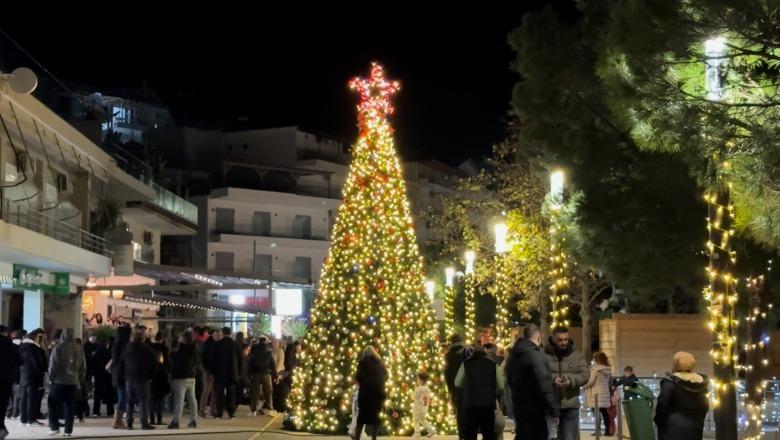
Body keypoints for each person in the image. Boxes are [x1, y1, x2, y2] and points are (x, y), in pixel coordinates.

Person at [506, 324, 558, 440]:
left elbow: (508, 377)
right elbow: (544, 383)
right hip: (535, 408)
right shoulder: (535, 354)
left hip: (519, 406)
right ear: (538, 337)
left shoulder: (514, 354)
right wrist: (553, 409)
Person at [543, 326, 588, 440]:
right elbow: (539, 374)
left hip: (570, 405)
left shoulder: (577, 355)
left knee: (569, 437)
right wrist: (553, 380)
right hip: (549, 405)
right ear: (553, 338)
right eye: (560, 340)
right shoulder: (543, 355)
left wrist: (570, 381)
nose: (563, 343)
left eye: (566, 339)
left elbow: (585, 375)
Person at [654, 352, 709, 440]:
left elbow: (662, 406)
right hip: (695, 428)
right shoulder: (701, 383)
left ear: (676, 364)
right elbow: (705, 406)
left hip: (672, 430)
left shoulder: (669, 382)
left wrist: (658, 422)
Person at [455, 346, 505, 440]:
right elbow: (501, 385)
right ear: (485, 353)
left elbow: (457, 383)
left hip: (470, 405)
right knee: (488, 434)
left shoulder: (466, 364)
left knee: (470, 435)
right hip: (487, 406)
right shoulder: (493, 364)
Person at [47, 328, 87, 437]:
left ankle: (54, 427)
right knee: (70, 406)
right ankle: (68, 431)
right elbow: (83, 367)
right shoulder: (79, 348)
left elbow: (53, 366)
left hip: (59, 381)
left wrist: (50, 378)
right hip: (73, 382)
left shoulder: (58, 348)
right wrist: (80, 378)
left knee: (53, 403)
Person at [122, 329, 158, 430]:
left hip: (129, 378)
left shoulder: (126, 349)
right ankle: (144, 423)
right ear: (143, 338)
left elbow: (122, 362)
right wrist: (151, 376)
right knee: (143, 402)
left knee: (130, 402)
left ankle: (129, 423)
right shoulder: (147, 350)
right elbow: (154, 364)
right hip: (143, 378)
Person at [353, 346, 388, 440]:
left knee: (362, 416)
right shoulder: (380, 363)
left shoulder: (363, 363)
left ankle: (357, 437)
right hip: (378, 393)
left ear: (364, 354)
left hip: (366, 393)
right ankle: (374, 438)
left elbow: (358, 377)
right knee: (376, 416)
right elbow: (386, 377)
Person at [168, 332, 199, 429]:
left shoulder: (181, 350)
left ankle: (176, 422)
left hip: (180, 378)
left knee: (179, 401)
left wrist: (173, 376)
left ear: (184, 339)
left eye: (181, 337)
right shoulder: (194, 350)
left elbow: (176, 365)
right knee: (192, 399)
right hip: (192, 377)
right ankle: (194, 420)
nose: (179, 338)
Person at [19, 328, 47, 427]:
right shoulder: (33, 348)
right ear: (37, 337)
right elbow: (38, 364)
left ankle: (23, 419)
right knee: (32, 398)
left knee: (24, 398)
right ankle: (31, 419)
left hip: (23, 376)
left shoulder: (22, 346)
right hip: (33, 377)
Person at [212, 327, 241, 419]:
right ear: (230, 333)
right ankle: (231, 413)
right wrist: (238, 372)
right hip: (232, 372)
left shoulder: (218, 344)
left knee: (219, 394)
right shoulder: (235, 345)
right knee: (231, 394)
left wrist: (213, 372)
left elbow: (213, 359)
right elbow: (240, 359)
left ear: (223, 333)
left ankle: (219, 412)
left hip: (220, 373)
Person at [583, 352, 612, 436]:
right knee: (605, 413)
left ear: (597, 360)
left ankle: (597, 431)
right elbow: (609, 383)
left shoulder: (595, 370)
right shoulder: (608, 370)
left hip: (596, 394)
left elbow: (591, 382)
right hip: (604, 393)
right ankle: (608, 431)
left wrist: (584, 386)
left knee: (596, 413)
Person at [0, 325, 21, 440]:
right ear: (4, 333)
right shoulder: (10, 345)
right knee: (2, 404)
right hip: (5, 380)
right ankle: (1, 427)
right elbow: (20, 361)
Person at [444, 334, 466, 439]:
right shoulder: (467, 352)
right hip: (467, 387)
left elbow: (447, 374)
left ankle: (462, 435)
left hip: (456, 389)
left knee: (460, 413)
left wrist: (450, 389)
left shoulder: (449, 355)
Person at [248, 336, 276, 416]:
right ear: (266, 342)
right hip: (266, 374)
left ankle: (253, 410)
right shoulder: (268, 352)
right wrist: (276, 375)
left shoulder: (254, 352)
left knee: (255, 393)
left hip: (256, 374)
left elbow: (250, 365)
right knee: (268, 392)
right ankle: (269, 409)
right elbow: (273, 365)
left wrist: (249, 374)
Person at [110, 325, 131, 429]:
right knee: (122, 398)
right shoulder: (123, 346)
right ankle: (117, 421)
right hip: (122, 375)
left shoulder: (116, 345)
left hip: (117, 374)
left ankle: (118, 420)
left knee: (122, 397)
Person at [198, 328, 221, 417]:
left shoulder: (216, 344)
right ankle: (202, 410)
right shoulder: (208, 344)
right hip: (208, 371)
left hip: (215, 371)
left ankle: (212, 410)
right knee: (207, 391)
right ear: (212, 335)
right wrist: (207, 370)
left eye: (219, 335)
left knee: (214, 392)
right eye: (217, 334)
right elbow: (204, 358)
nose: (218, 336)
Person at [150, 332, 171, 425]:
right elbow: (167, 363)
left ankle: (151, 419)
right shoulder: (165, 349)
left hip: (152, 376)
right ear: (163, 339)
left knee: (151, 399)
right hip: (162, 376)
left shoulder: (150, 347)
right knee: (160, 399)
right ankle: (159, 419)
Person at [91, 337, 115, 417]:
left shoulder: (96, 353)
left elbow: (93, 365)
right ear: (107, 344)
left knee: (97, 394)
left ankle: (96, 411)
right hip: (108, 375)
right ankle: (110, 411)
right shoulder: (109, 353)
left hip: (98, 375)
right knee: (109, 393)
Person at [411, 371, 436, 438]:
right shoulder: (427, 388)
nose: (417, 380)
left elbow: (414, 397)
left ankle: (417, 432)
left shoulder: (419, 389)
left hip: (418, 407)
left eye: (418, 379)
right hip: (424, 407)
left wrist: (414, 391)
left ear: (421, 380)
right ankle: (431, 431)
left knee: (415, 420)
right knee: (423, 420)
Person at [271, 338, 286, 412]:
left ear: (279, 343)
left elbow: (280, 362)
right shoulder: (272, 351)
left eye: (276, 343)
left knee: (278, 388)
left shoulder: (280, 351)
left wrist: (275, 372)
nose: (274, 344)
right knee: (274, 388)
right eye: (273, 343)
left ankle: (279, 407)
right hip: (273, 372)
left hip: (279, 371)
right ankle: (275, 406)